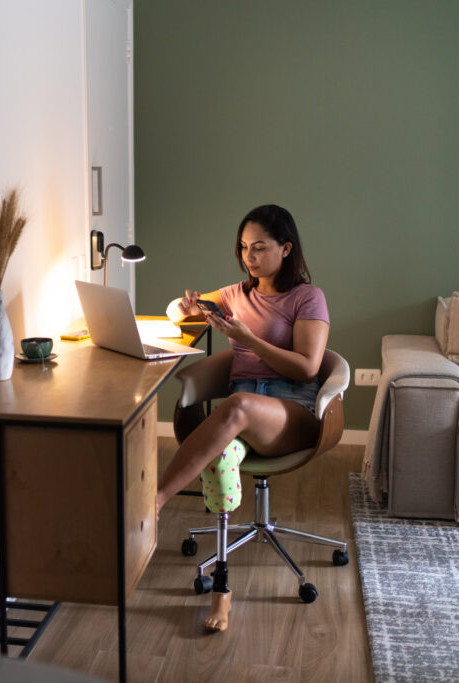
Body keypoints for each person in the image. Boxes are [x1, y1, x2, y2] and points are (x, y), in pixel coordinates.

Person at [158, 204, 330, 632]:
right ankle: (221, 591)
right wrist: (182, 307)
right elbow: (178, 312)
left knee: (234, 407)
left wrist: (249, 338)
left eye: (259, 247)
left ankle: (153, 501)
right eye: (243, 248)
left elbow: (309, 367)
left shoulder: (308, 298)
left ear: (286, 248)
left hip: (291, 415)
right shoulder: (236, 295)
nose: (248, 256)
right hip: (244, 413)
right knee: (219, 456)